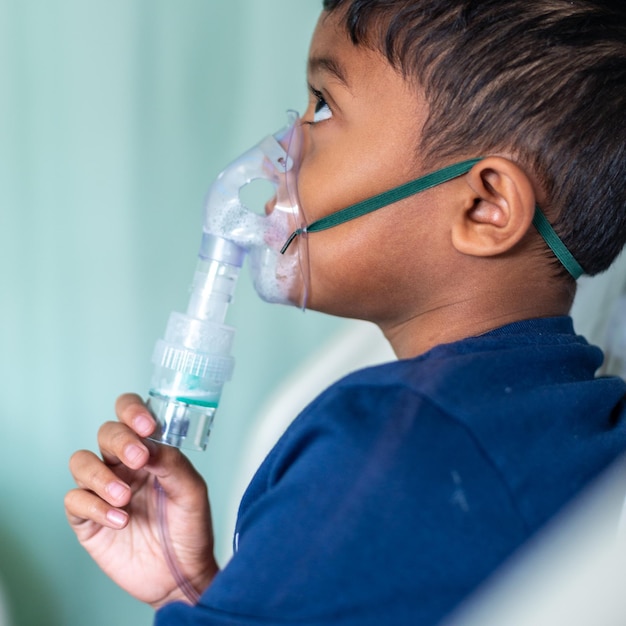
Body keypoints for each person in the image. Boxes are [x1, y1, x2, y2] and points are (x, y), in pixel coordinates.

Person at [64, 1, 626, 624]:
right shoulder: (577, 427)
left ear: (484, 206)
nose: (281, 149)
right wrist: (197, 592)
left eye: (324, 106)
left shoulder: (390, 440)